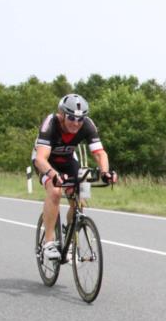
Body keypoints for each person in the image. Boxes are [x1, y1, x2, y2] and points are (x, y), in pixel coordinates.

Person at [33, 94, 116, 260]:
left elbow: (100, 153)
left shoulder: (87, 125)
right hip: (46, 163)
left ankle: (70, 233)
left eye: (80, 119)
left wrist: (105, 172)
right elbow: (40, 159)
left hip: (69, 161)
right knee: (55, 191)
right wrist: (53, 175)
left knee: (81, 195)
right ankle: (49, 243)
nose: (76, 123)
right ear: (62, 115)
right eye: (71, 118)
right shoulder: (50, 124)